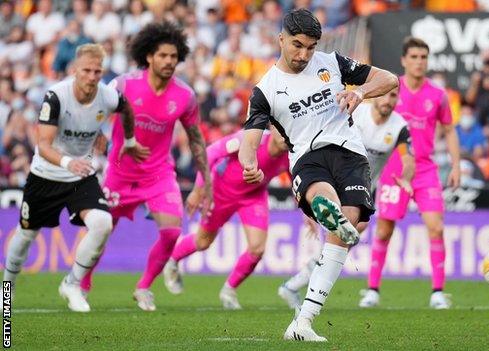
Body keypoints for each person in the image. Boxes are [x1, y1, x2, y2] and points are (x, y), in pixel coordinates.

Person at [239, 8, 397, 342]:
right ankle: (330, 213)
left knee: (353, 221)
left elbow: (390, 80)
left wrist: (359, 92)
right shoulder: (265, 90)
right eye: (297, 45)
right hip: (306, 157)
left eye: (310, 47)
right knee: (327, 199)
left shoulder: (331, 63)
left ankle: (303, 321)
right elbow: (249, 140)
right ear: (281, 38)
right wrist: (249, 163)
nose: (304, 54)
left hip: (350, 153)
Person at [2, 44, 147, 312]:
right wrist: (70, 162)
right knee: (26, 235)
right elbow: (43, 145)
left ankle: (72, 283)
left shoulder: (107, 95)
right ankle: (6, 288)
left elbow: (127, 110)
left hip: (80, 177)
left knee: (103, 223)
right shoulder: (56, 96)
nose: (92, 77)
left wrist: (129, 140)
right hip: (46, 174)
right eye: (86, 71)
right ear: (74, 70)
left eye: (97, 71)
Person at [79, 22, 213, 311]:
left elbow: (196, 140)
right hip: (120, 172)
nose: (169, 62)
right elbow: (91, 110)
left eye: (173, 57)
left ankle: (143, 287)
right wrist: (98, 137)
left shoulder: (185, 96)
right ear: (149, 56)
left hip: (159, 174)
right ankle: (83, 282)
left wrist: (207, 185)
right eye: (163, 55)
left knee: (171, 232)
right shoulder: (124, 85)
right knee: (101, 231)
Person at [277, 87, 415, 309]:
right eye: (385, 94)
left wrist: (407, 178)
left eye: (394, 96)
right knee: (341, 242)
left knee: (343, 241)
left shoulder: (399, 127)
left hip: (361, 189)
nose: (388, 100)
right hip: (334, 179)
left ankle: (294, 287)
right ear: (375, 96)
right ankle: (299, 291)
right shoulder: (357, 111)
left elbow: (408, 160)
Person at [358, 37, 461, 310]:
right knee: (383, 230)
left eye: (423, 57)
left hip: (425, 169)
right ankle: (372, 289)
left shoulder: (438, 95)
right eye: (414, 57)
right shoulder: (392, 88)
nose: (419, 62)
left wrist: (457, 165)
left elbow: (449, 131)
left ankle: (438, 291)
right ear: (404, 60)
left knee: (436, 227)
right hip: (394, 169)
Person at [161, 127, 289, 309]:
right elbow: (210, 153)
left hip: (254, 195)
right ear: (272, 127)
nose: (286, 135)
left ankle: (229, 290)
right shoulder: (252, 138)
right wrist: (198, 190)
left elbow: (298, 181)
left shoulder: (293, 152)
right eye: (281, 129)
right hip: (221, 191)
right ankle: (172, 260)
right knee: (202, 242)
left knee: (257, 249)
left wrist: (307, 213)